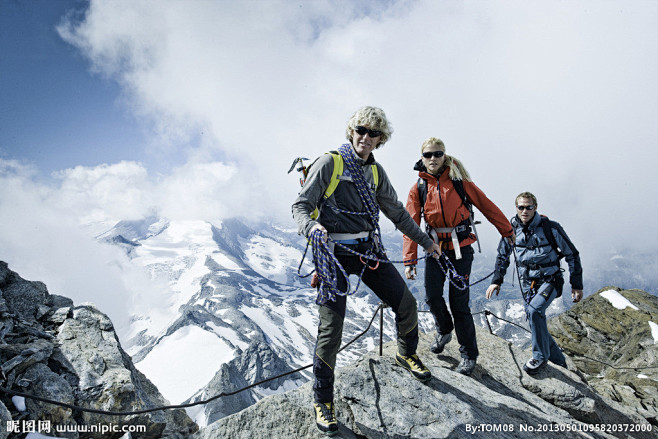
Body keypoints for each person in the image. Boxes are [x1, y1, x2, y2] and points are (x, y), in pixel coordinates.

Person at [292, 106, 442, 435]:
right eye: (361, 130)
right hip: (334, 252)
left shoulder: (375, 173)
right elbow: (301, 206)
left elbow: (398, 215)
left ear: (380, 139)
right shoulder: (330, 163)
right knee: (332, 330)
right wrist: (311, 227)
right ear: (352, 131)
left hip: (367, 250)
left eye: (373, 133)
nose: (365, 137)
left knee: (406, 303)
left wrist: (425, 243)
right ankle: (322, 400)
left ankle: (407, 354)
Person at [403, 137, 513, 376]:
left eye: (438, 154)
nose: (433, 158)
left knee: (458, 303)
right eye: (428, 155)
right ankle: (444, 329)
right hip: (434, 251)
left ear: (445, 156)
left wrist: (507, 231)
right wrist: (409, 259)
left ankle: (468, 354)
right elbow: (410, 223)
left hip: (461, 250)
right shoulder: (419, 188)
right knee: (432, 297)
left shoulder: (459, 182)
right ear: (422, 158)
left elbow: (487, 206)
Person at [485, 191, 583, 375]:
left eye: (528, 207)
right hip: (527, 283)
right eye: (521, 207)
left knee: (534, 311)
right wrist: (496, 281)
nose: (524, 211)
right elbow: (502, 256)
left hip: (551, 279)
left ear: (535, 207)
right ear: (516, 208)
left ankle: (539, 357)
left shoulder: (550, 228)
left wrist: (577, 285)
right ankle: (559, 362)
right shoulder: (510, 229)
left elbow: (572, 254)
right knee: (533, 318)